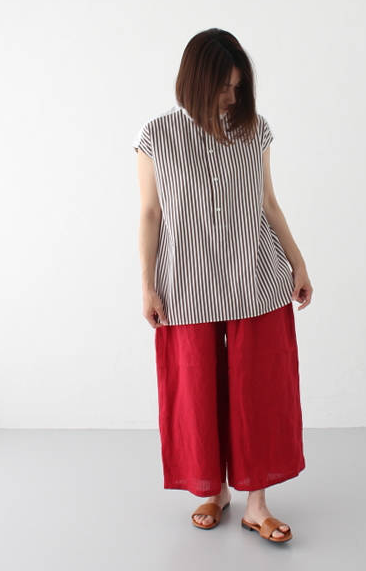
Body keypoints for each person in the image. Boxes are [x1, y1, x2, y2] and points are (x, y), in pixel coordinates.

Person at [133, 28, 313, 543]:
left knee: (259, 393)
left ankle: (257, 503)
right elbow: (150, 213)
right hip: (186, 286)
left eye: (238, 87)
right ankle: (213, 491)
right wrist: (147, 285)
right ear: (195, 81)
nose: (231, 97)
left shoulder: (255, 131)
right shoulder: (156, 136)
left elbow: (268, 203)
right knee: (195, 392)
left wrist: (298, 263)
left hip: (256, 278)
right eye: (222, 87)